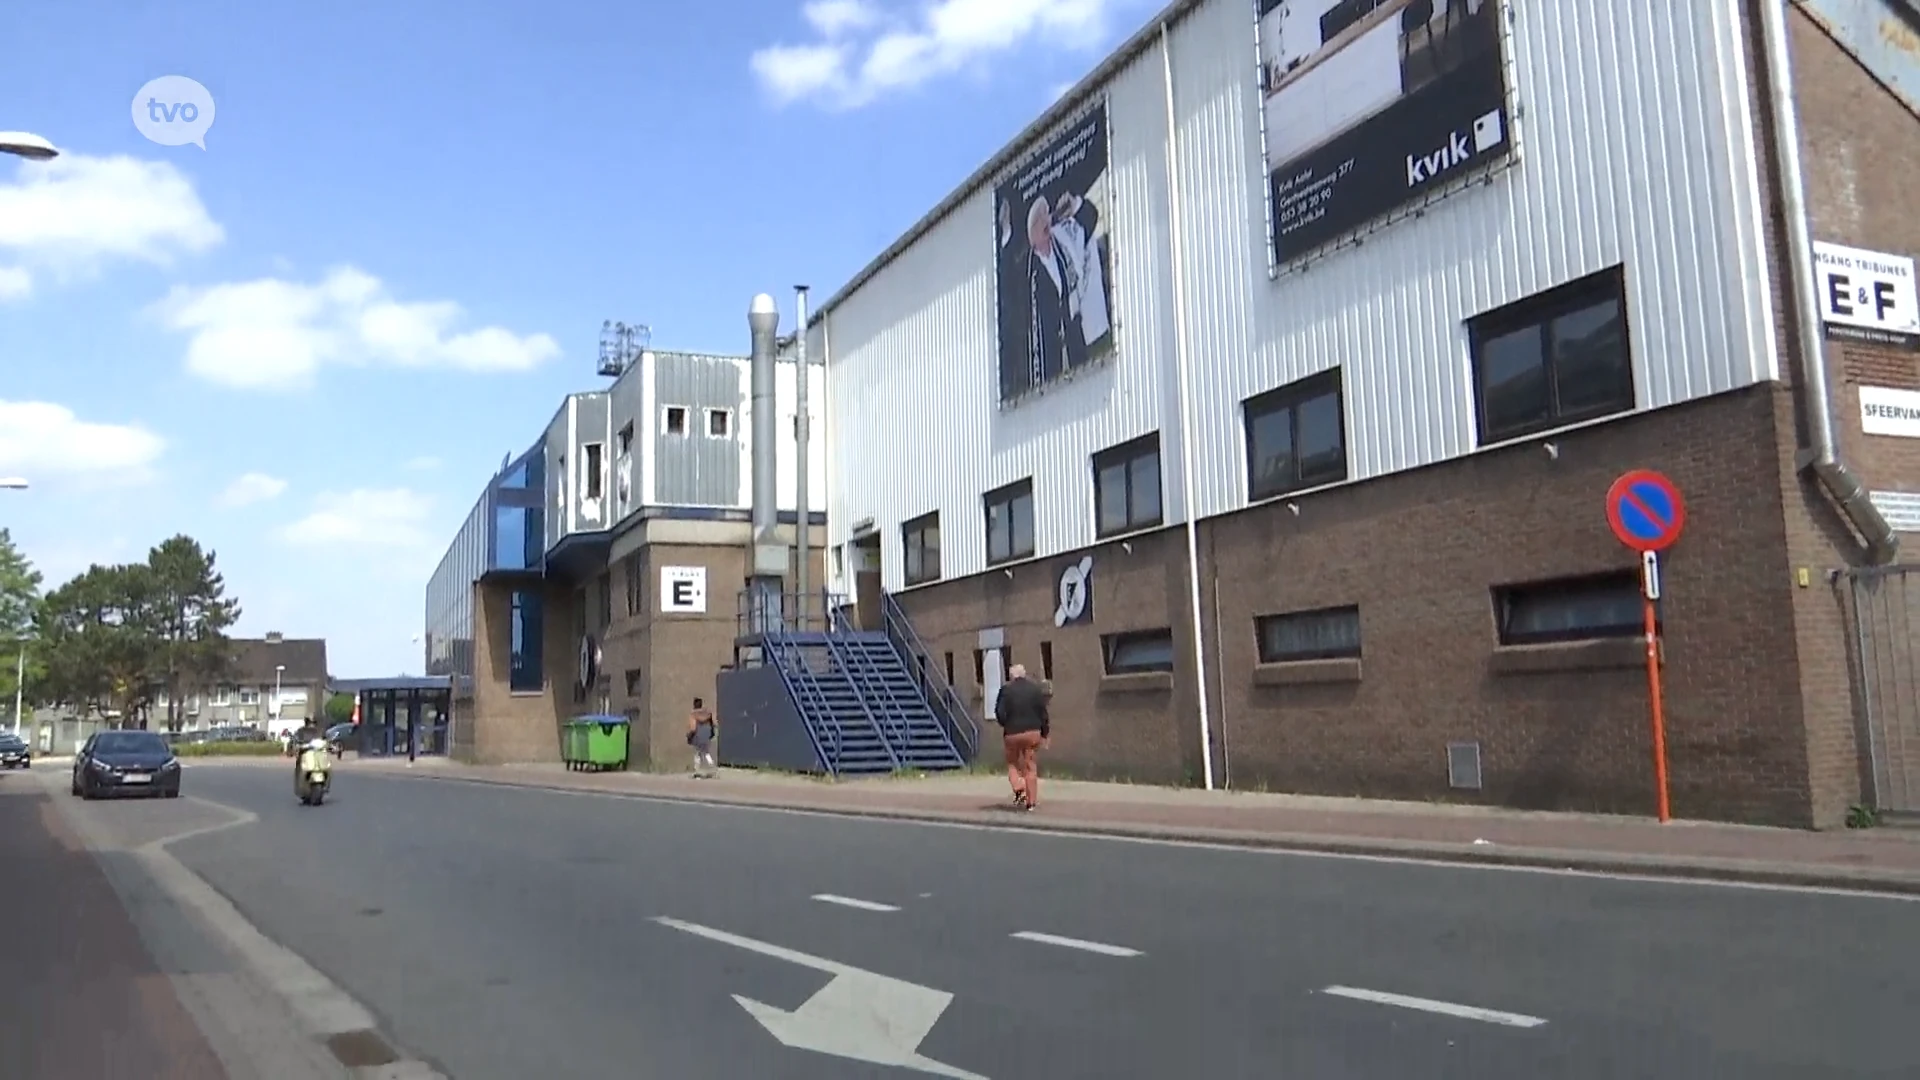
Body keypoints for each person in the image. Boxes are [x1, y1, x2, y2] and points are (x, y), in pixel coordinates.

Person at [995, 664, 1050, 811]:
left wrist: (1005, 724)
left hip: (1012, 733)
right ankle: (1031, 802)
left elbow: (999, 712)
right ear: (1024, 674)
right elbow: (1043, 714)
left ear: (1012, 676)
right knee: (1030, 767)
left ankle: (1019, 787)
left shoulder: (1006, 690)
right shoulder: (1035, 690)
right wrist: (1045, 733)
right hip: (1033, 732)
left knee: (1012, 763)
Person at [687, 697, 717, 778]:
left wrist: (689, 736)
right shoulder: (708, 713)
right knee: (706, 752)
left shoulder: (693, 714)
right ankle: (712, 768)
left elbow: (693, 728)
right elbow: (714, 724)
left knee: (697, 754)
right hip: (707, 735)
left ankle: (697, 771)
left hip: (697, 736)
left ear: (694, 705)